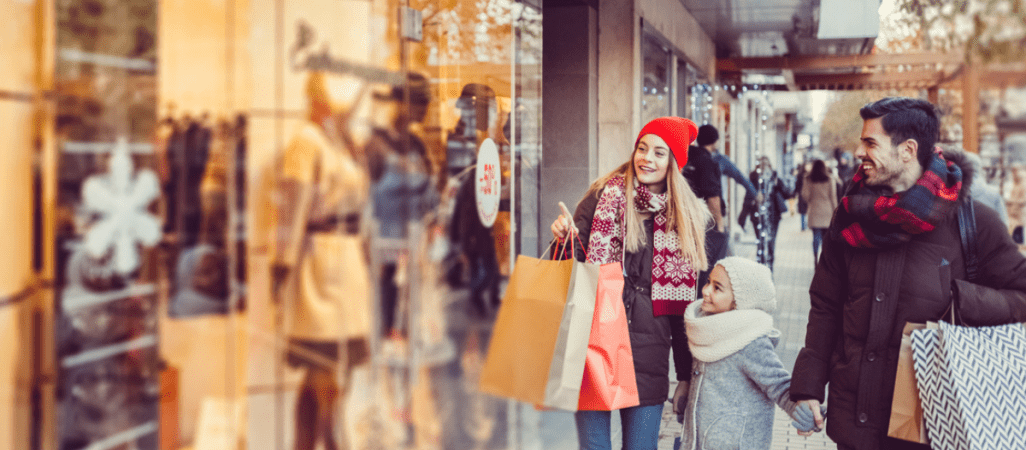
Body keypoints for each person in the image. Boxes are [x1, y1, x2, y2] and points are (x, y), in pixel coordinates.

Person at [790, 97, 1026, 450]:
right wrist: (808, 387)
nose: (858, 151)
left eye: (870, 142)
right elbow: (826, 303)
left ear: (907, 150)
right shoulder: (850, 214)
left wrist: (962, 301)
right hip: (853, 422)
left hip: (933, 424)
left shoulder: (973, 222)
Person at [550, 116, 710, 450]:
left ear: (673, 164)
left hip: (648, 360)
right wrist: (561, 242)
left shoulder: (687, 218)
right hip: (595, 345)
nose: (646, 158)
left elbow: (684, 311)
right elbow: (571, 269)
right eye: (642, 148)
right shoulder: (600, 197)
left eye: (659, 152)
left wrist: (684, 375)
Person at [680, 257, 822, 449]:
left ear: (739, 302)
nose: (705, 291)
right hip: (698, 441)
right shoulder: (706, 329)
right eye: (708, 282)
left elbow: (779, 386)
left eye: (717, 288)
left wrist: (803, 411)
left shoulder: (750, 343)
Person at [681, 124, 727, 294]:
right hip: (704, 223)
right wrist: (720, 225)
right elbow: (712, 196)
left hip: (684, 219)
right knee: (709, 269)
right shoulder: (707, 161)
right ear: (714, 141)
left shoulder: (687, 157)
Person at [739, 156, 790, 272]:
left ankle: (770, 268)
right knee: (761, 243)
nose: (764, 167)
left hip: (774, 216)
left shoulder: (774, 176)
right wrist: (743, 216)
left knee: (771, 242)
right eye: (762, 164)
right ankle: (761, 268)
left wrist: (778, 184)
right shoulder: (754, 178)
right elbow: (747, 197)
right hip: (757, 216)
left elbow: (787, 193)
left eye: (766, 164)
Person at [801, 159, 838, 262]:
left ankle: (815, 257)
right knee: (826, 238)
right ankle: (825, 260)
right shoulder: (830, 179)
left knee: (816, 237)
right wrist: (836, 212)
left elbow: (806, 196)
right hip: (827, 211)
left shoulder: (808, 179)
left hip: (815, 211)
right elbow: (833, 197)